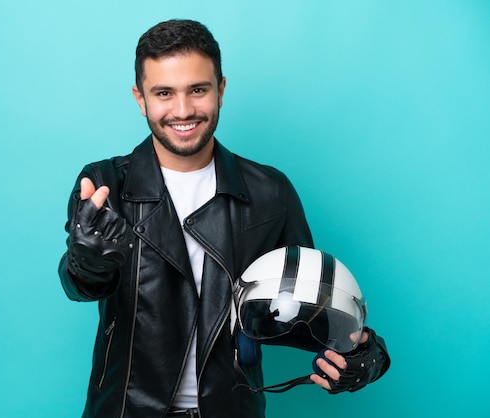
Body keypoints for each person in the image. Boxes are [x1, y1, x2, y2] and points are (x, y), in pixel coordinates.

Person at [58, 19, 389, 418]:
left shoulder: (270, 193)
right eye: (164, 93)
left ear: (221, 90)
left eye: (197, 90)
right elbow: (79, 285)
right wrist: (87, 261)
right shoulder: (105, 182)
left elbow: (301, 308)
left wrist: (364, 351)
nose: (182, 111)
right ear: (140, 99)